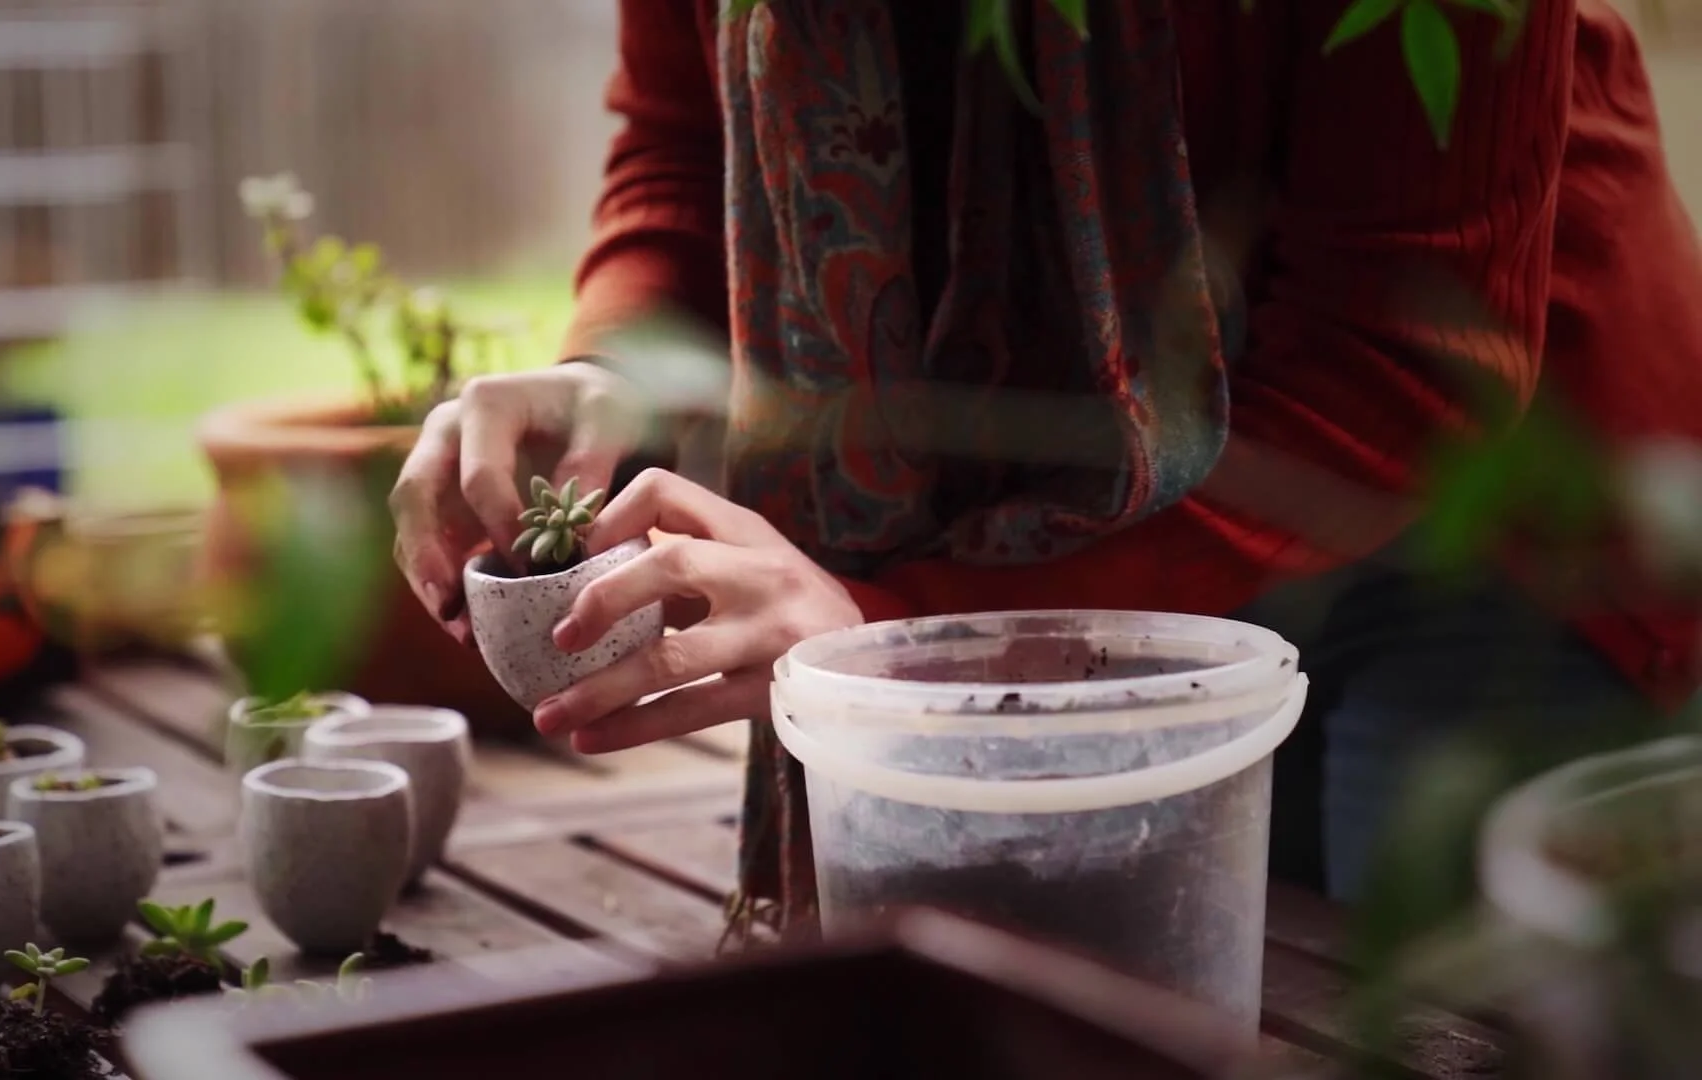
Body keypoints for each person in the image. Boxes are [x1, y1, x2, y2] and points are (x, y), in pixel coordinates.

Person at [391, 0, 1702, 929]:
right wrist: (613, 370)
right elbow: (684, 142)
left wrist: (899, 643)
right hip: (1025, 525)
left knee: (1411, 1006)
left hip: (1483, 547)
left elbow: (1408, 369)